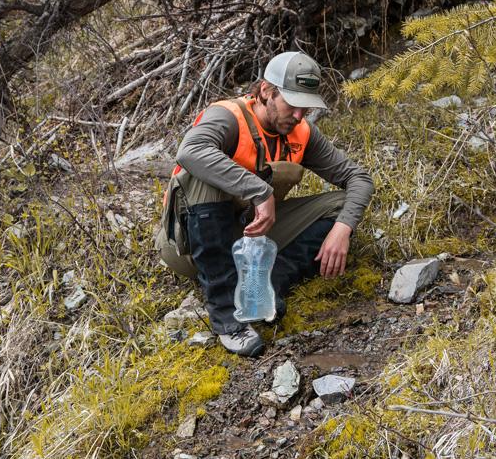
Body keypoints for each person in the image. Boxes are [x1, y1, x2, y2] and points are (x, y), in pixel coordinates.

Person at [155, 52, 374, 357]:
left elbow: (358, 179)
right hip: (190, 244)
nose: (299, 116)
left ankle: (267, 282)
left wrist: (343, 229)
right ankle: (227, 319)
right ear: (267, 92)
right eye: (293, 105)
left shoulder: (301, 132)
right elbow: (189, 152)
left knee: (339, 206)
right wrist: (260, 191)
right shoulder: (227, 117)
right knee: (204, 176)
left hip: (248, 234)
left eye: (306, 107)